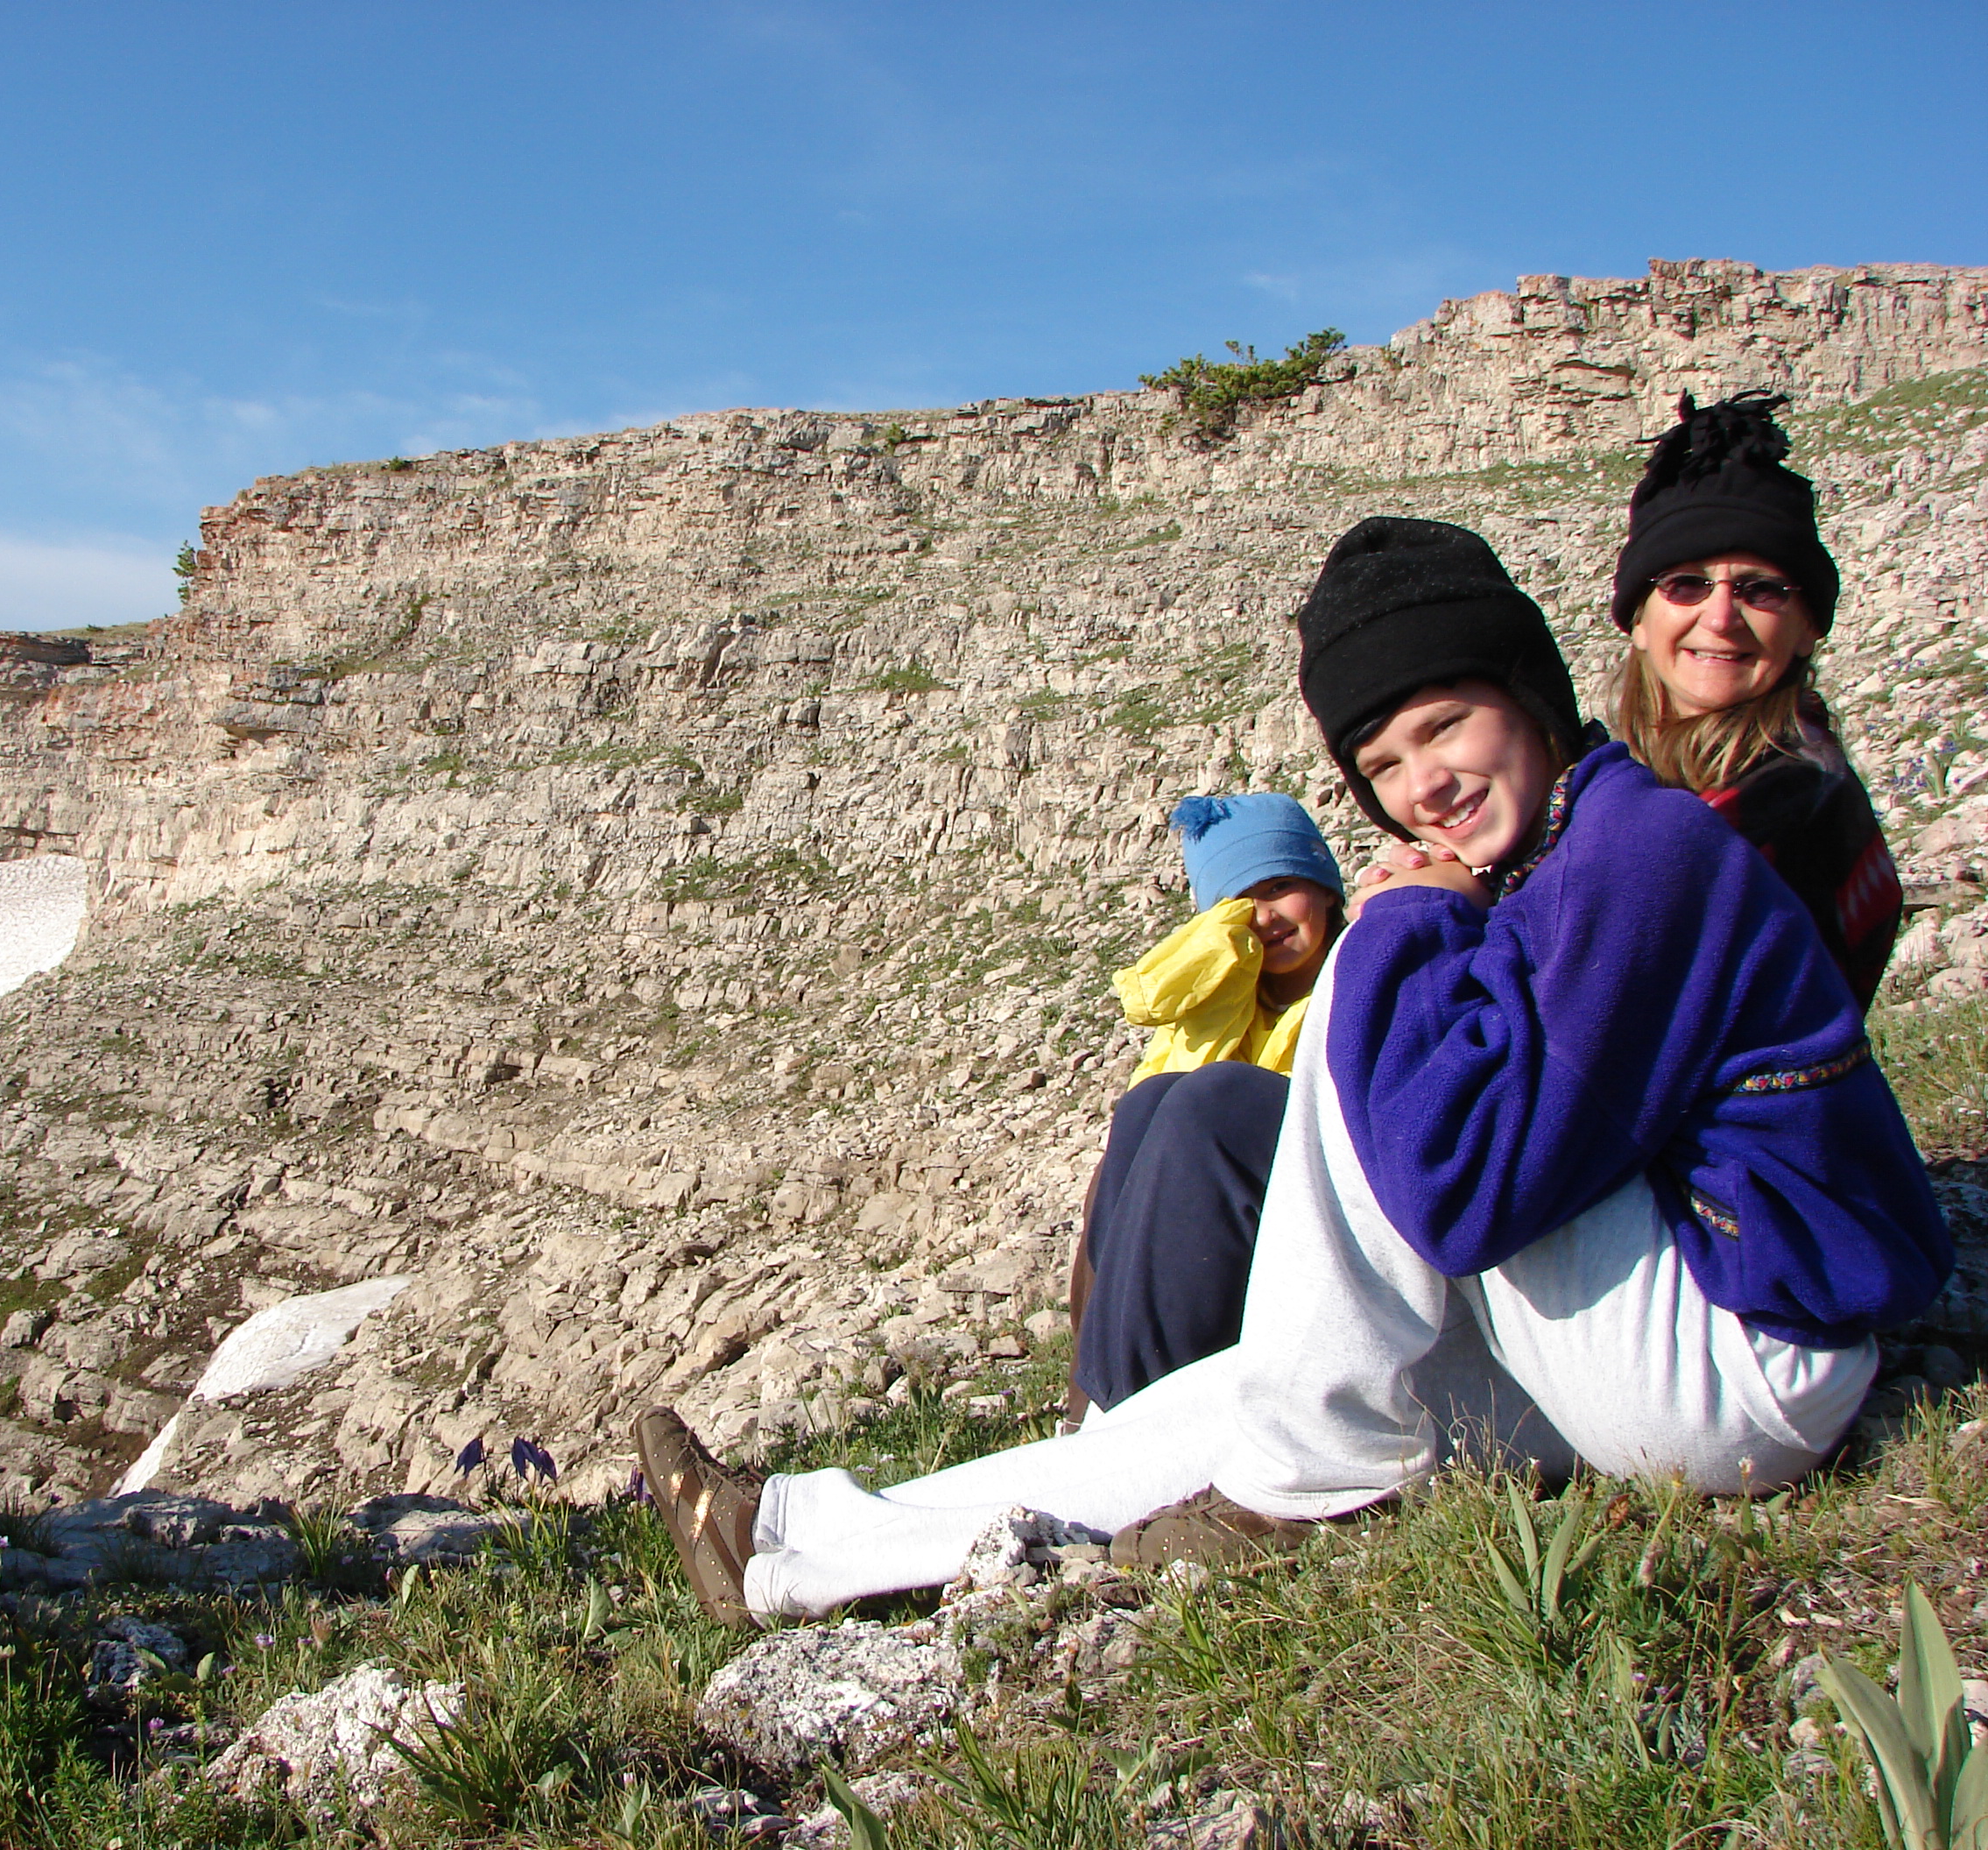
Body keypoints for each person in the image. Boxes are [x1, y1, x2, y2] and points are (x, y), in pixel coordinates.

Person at [635, 517, 1949, 1623]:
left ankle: (1307, 1475)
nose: (1423, 785)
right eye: (1382, 767)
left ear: (1532, 699)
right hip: (1666, 1342)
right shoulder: (1558, 854)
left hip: (1748, 1362)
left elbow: (1468, 1185)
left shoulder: (1645, 853)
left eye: (1447, 728)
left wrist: (1392, 929)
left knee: (1367, 1043)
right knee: (1235, 1394)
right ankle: (797, 1546)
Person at [1610, 390, 1900, 1007]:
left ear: (1806, 628)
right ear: (1639, 620)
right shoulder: (1608, 785)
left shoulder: (1798, 809)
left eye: (1759, 590)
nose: (1720, 618)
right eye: (1685, 584)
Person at [1066, 795, 1345, 1423]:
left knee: (1211, 1097)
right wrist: (1222, 951)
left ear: (1326, 887)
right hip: (1233, 1219)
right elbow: (1149, 1003)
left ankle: (1139, 1416)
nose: (1266, 916)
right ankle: (1098, 1408)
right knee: (1144, 1108)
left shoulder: (1359, 970)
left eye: (1281, 885)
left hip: (1326, 1201)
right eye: (1239, 903)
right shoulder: (1219, 1001)